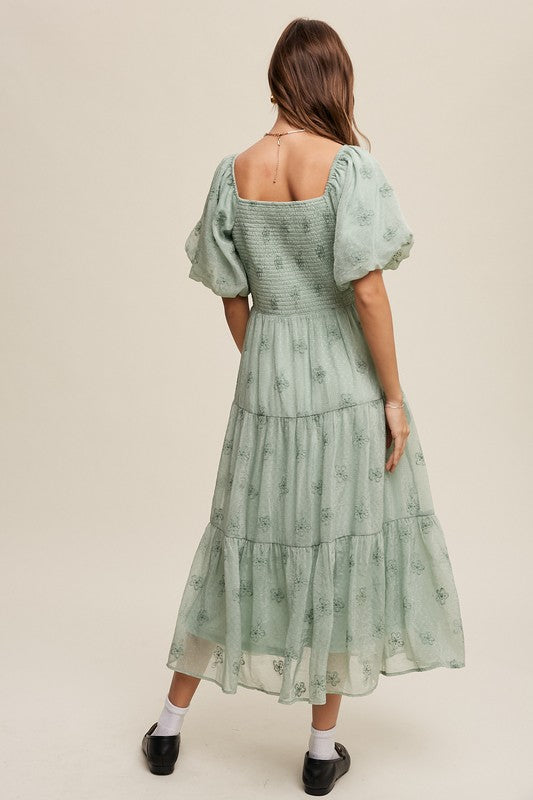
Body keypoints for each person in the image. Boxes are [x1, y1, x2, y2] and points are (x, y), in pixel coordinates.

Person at [141, 17, 466, 795]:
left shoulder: (235, 169)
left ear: (278, 79)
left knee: (238, 540)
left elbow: (230, 295)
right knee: (336, 546)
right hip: (344, 380)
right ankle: (321, 752)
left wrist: (271, 370)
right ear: (332, 80)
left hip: (267, 374)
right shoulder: (348, 168)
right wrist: (390, 397)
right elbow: (367, 289)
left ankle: (166, 727)